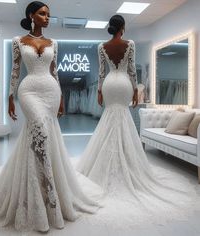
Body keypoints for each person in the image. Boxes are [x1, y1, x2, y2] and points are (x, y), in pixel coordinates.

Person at [0, 1, 99, 233]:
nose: (47, 17)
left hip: (50, 91)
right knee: (39, 132)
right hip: (28, 91)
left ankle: (47, 191)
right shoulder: (18, 41)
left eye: (48, 14)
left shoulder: (53, 43)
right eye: (42, 13)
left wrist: (62, 99)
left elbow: (55, 71)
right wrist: (8, 97)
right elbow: (15, 70)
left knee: (45, 137)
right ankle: (47, 195)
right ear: (31, 15)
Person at [76, 15, 193, 221]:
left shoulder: (101, 46)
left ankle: (106, 161)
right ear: (122, 27)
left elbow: (102, 72)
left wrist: (100, 91)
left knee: (109, 117)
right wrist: (135, 92)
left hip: (110, 83)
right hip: (123, 84)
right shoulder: (129, 44)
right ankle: (124, 160)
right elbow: (132, 71)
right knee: (122, 117)